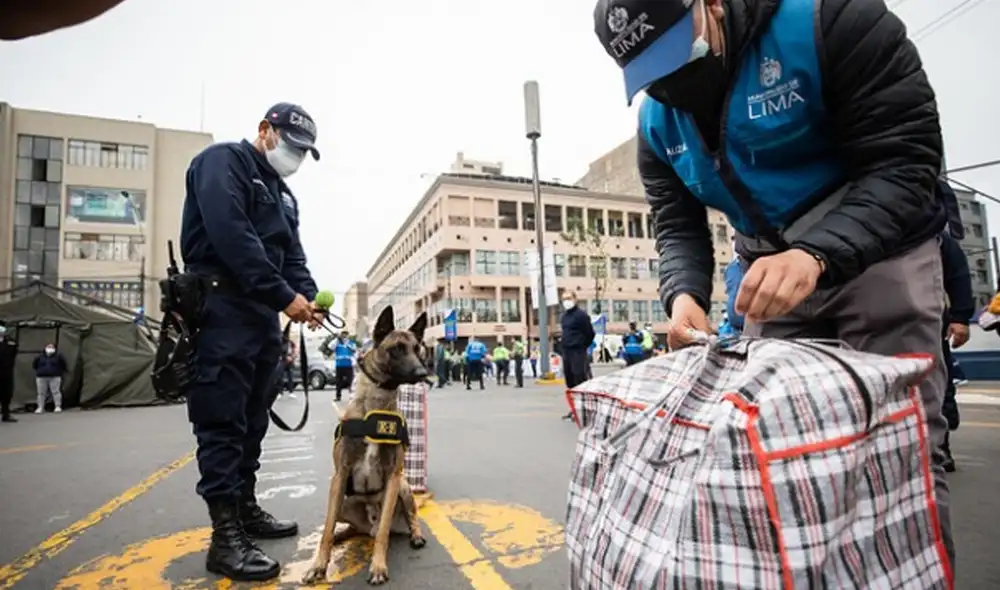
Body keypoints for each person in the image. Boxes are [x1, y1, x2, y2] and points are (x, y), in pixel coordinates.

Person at [594, 0, 953, 562]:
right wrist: (683, 292)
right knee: (779, 454)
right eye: (651, 73)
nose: (671, 83)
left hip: (882, 254)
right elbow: (676, 222)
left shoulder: (829, 23)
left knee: (898, 449)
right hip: (767, 273)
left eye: (675, 53)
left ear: (711, 5)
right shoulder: (656, 124)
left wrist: (815, 254)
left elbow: (905, 162)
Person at [179, 102, 323, 581]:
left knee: (253, 420)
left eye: (304, 152)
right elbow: (232, 236)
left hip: (262, 317)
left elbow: (293, 257)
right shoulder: (222, 163)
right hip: (221, 309)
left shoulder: (284, 196)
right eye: (291, 145)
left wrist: (304, 298)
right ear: (265, 131)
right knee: (222, 422)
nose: (295, 157)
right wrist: (285, 296)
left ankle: (244, 510)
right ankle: (224, 540)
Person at [939, 230, 974, 472]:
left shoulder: (932, 232)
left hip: (924, 320)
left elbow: (958, 273)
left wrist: (960, 317)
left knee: (937, 386)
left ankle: (939, 448)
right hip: (864, 321)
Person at [560, 292, 596, 420]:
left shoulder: (581, 316)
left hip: (578, 351)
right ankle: (574, 408)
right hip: (566, 351)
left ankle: (585, 409)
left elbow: (590, 333)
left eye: (569, 298)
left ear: (575, 299)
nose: (566, 301)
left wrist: (582, 345)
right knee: (570, 380)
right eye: (564, 299)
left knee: (580, 379)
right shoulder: (564, 316)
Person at [33, 343, 67, 413]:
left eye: (52, 347)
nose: (50, 348)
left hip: (55, 377)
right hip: (41, 377)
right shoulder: (39, 357)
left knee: (56, 392)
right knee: (41, 393)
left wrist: (58, 372)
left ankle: (57, 406)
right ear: (45, 348)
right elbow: (34, 365)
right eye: (48, 347)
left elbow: (63, 365)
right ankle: (40, 407)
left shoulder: (59, 357)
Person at [0, 326, 18, 423]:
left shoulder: (10, 342)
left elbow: (14, 352)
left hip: (6, 371)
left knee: (7, 393)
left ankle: (5, 414)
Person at [332, 331, 356, 401]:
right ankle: (338, 396)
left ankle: (352, 395)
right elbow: (330, 346)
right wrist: (336, 339)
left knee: (350, 381)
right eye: (343, 335)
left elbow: (354, 350)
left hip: (348, 365)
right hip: (339, 365)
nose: (344, 336)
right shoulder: (337, 343)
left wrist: (346, 343)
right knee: (338, 382)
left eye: (346, 335)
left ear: (348, 336)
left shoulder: (351, 343)